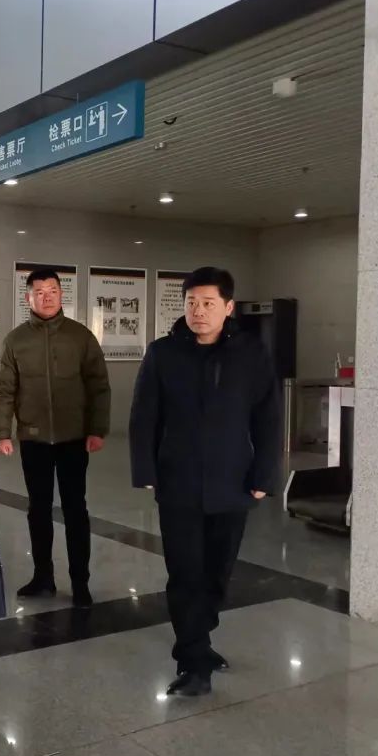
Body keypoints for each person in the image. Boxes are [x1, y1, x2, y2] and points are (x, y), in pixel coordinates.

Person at [128, 267, 280, 697]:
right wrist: (146, 471)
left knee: (217, 574)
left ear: (228, 307)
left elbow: (268, 417)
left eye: (208, 303)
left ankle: (201, 638)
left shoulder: (251, 353)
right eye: (191, 302)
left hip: (233, 482)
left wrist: (263, 475)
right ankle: (193, 660)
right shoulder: (163, 353)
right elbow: (144, 417)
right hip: (178, 481)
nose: (198, 311)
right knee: (185, 574)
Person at [0, 269, 111, 608]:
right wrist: (2, 432)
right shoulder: (16, 340)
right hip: (34, 439)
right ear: (28, 297)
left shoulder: (80, 336)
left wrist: (97, 429)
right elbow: (3, 389)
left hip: (74, 438)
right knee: (38, 509)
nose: (47, 297)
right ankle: (43, 577)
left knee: (76, 510)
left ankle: (80, 582)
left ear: (61, 294)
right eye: (40, 292)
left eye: (53, 291)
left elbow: (98, 386)